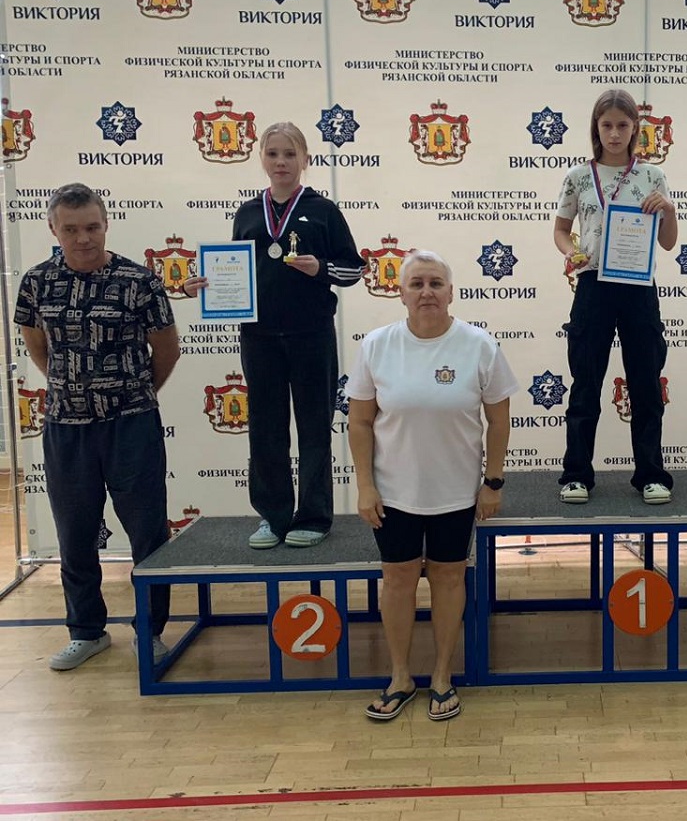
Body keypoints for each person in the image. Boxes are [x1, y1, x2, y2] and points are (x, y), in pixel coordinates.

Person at [346, 251, 519, 722]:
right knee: (398, 580)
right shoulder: (377, 346)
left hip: (456, 493)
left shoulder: (479, 345)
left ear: (451, 292)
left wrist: (493, 482)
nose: (427, 292)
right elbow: (359, 422)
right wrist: (365, 487)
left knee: (448, 578)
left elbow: (499, 419)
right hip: (393, 494)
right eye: (417, 284)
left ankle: (442, 676)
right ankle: (400, 677)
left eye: (436, 283)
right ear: (401, 293)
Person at [14, 183, 180, 670]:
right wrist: (72, 388)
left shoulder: (139, 281)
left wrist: (133, 393)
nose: (83, 238)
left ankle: (150, 631)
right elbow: (36, 344)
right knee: (74, 533)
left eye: (91, 227)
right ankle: (86, 631)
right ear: (53, 229)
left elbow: (166, 349)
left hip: (131, 424)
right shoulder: (36, 282)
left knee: (148, 532)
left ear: (106, 224)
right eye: (71, 230)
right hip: (66, 427)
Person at [184, 122, 364, 549]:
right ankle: (273, 516)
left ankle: (314, 517)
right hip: (259, 337)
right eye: (272, 154)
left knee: (314, 427)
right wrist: (205, 286)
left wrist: (320, 268)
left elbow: (354, 269)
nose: (281, 162)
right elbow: (235, 271)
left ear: (305, 159)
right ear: (261, 159)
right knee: (265, 429)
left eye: (289, 154)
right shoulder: (248, 213)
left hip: (311, 334)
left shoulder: (324, 211)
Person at [553, 89, 678, 505]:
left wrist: (669, 210)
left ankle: (651, 474)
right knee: (585, 383)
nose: (614, 133)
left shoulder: (652, 176)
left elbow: (668, 243)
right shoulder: (578, 176)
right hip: (593, 286)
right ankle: (576, 475)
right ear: (596, 127)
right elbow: (561, 230)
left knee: (646, 384)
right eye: (606, 125)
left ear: (634, 129)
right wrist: (571, 251)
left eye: (622, 125)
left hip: (638, 287)